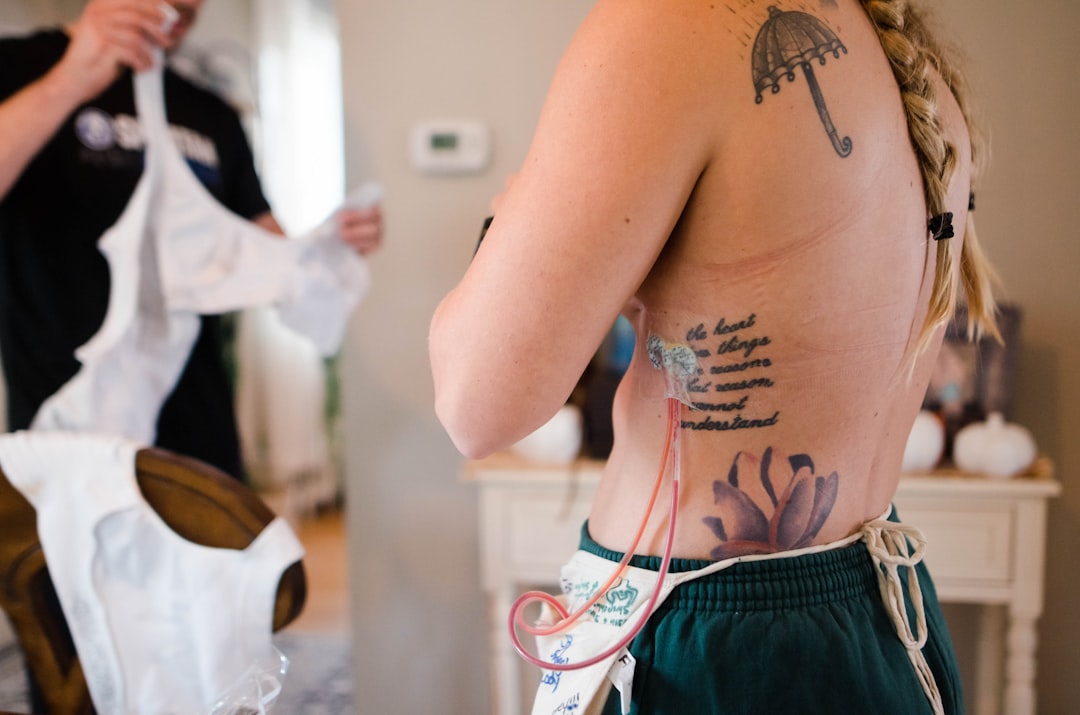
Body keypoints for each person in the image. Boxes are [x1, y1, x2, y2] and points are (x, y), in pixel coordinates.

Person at [430, 0, 997, 713]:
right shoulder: (914, 71)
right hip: (885, 622)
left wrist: (510, 218)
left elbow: (474, 404)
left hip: (720, 656)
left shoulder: (668, 23)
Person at [0, 0, 382, 480]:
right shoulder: (17, 67)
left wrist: (324, 247)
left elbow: (260, 247)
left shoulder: (211, 113)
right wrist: (72, 80)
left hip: (200, 425)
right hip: (63, 424)